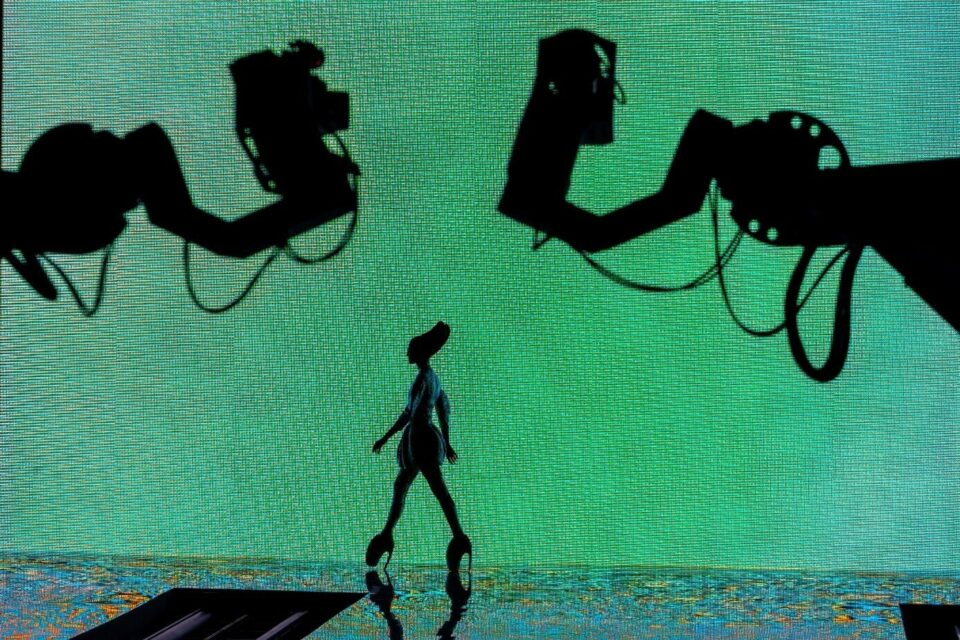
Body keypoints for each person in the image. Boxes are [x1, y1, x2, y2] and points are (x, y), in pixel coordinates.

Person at [366, 321, 472, 571]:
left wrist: (386, 437)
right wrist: (446, 442)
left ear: (420, 353)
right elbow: (443, 411)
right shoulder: (433, 379)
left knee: (434, 488)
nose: (407, 354)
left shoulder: (424, 378)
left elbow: (410, 412)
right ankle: (389, 534)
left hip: (419, 438)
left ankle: (458, 537)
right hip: (421, 437)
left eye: (410, 350)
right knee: (405, 486)